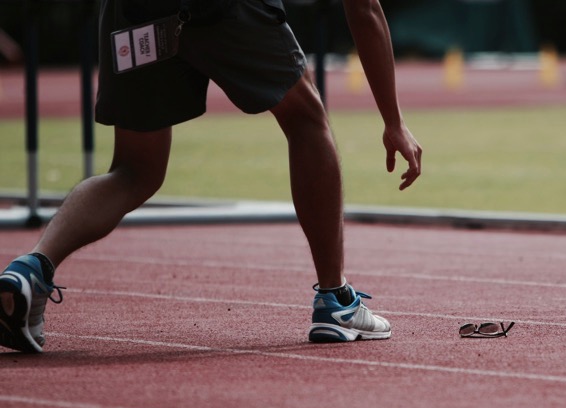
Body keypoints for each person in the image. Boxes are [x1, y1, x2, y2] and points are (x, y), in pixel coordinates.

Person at [0, 0, 422, 353]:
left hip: (134, 9)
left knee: (135, 170)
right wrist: (393, 121)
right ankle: (335, 300)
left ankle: (31, 267)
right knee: (306, 119)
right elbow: (363, 7)